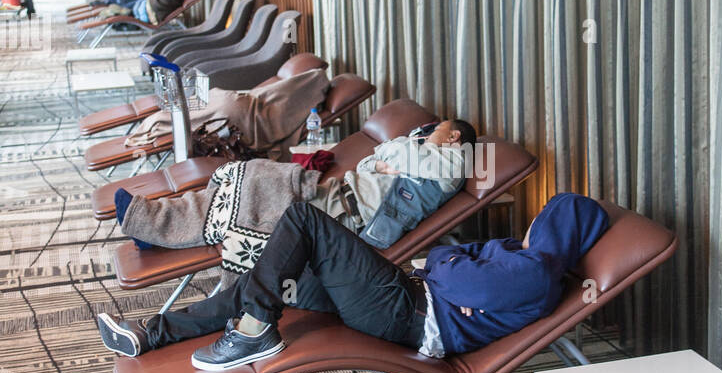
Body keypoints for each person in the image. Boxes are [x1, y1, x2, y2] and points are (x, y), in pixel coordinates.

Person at [96, 192, 609, 371]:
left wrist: (445, 266)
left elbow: (456, 272)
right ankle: (152, 334)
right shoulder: (522, 258)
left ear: (562, 230)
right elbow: (453, 261)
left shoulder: (536, 272)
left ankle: (253, 327)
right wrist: (447, 265)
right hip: (408, 298)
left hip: (408, 313)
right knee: (277, 278)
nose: (538, 223)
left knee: (302, 220)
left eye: (550, 218)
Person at [115, 116, 477, 271]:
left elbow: (391, 151)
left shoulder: (455, 163)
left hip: (346, 215)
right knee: (249, 180)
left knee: (256, 182)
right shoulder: (425, 159)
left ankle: (154, 224)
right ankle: (159, 226)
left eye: (434, 132)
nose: (423, 136)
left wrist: (394, 151)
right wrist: (385, 158)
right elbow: (371, 162)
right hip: (338, 193)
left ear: (453, 137)